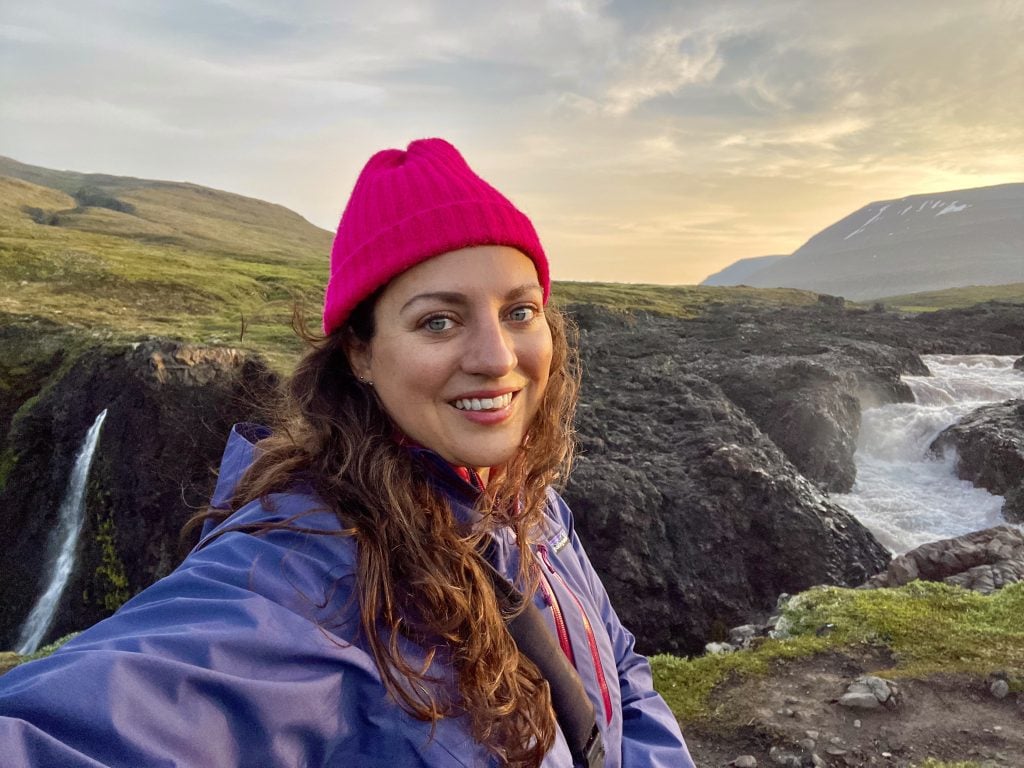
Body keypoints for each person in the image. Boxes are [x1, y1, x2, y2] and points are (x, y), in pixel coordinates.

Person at [0, 138, 695, 767]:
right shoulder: (309, 569)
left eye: (519, 310)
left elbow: (621, 671)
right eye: (439, 321)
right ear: (360, 354)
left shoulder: (531, 505)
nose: (496, 357)